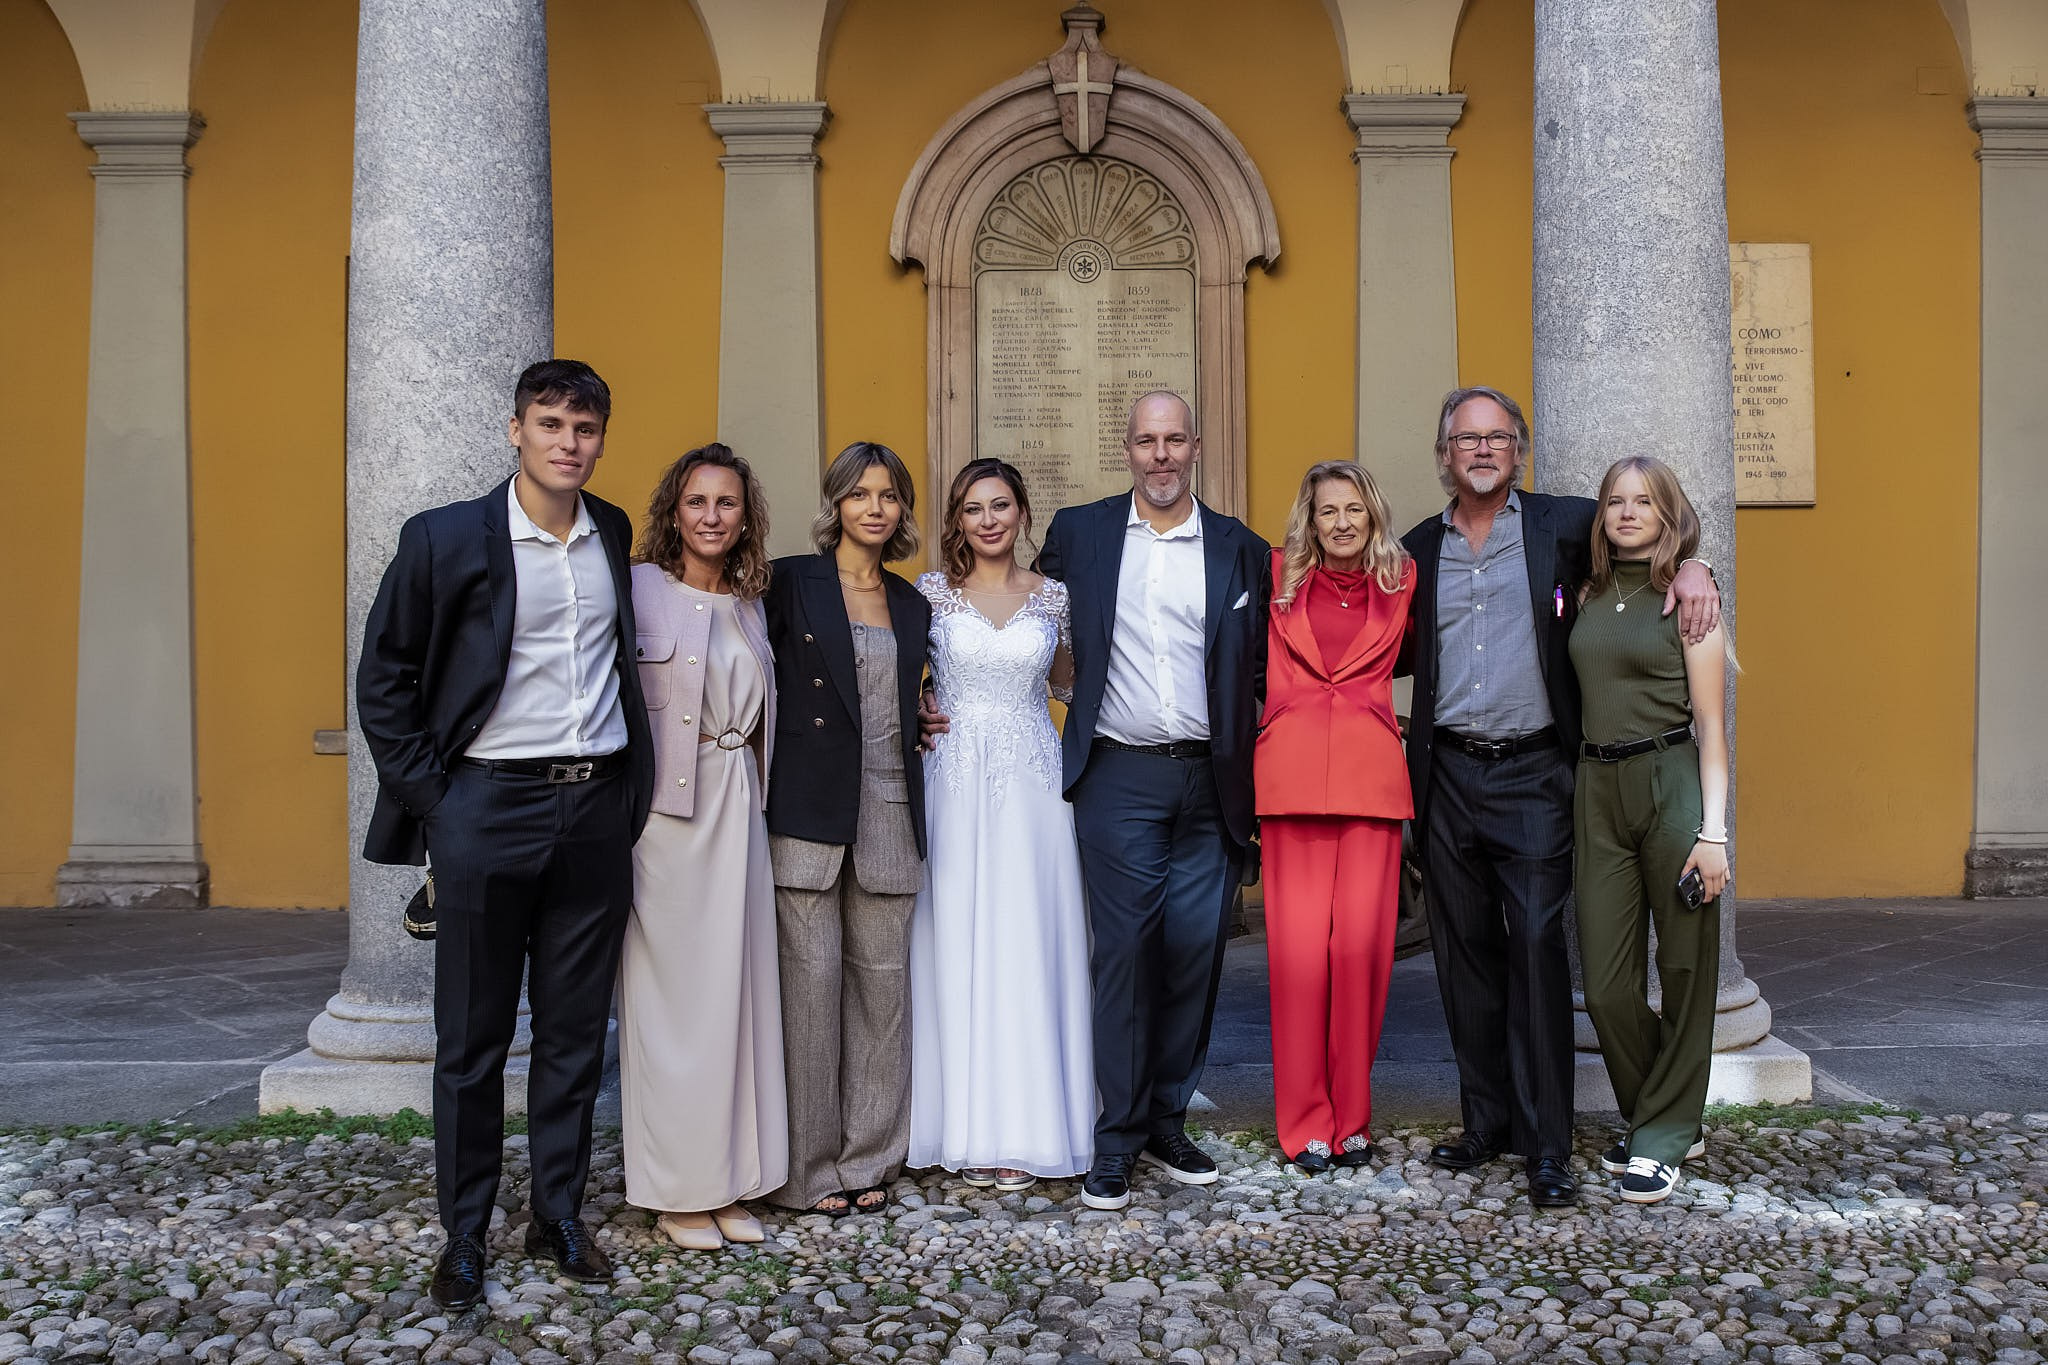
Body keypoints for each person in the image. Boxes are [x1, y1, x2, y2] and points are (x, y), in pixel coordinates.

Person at [356, 359, 653, 1308]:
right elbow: (384, 677)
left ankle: (557, 1213)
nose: (569, 443)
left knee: (575, 1033)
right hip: (486, 806)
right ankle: (465, 1233)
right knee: (473, 1039)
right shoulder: (445, 537)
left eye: (585, 428)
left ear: (601, 439)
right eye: (551, 423)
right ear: (515, 429)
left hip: (594, 808)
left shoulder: (611, 530)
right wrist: (438, 803)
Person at [1400, 386, 1717, 1209]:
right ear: (1445, 454)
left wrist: (1697, 567)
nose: (1481, 450)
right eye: (1466, 439)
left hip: (1537, 772)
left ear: (1519, 450)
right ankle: (1488, 1121)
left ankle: (1547, 1147)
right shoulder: (1415, 549)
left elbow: (1655, 531)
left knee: (1540, 950)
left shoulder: (1566, 525)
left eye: (1497, 437)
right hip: (1447, 774)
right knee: (1463, 954)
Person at [1034, 391, 1271, 1211]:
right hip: (1119, 774)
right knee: (1125, 955)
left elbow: (1263, 667)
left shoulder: (1242, 548)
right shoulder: (1080, 533)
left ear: (1196, 446)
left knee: (1194, 953)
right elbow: (1021, 617)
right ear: (1127, 448)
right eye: (1146, 440)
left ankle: (1168, 1120)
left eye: (1174, 440)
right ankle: (1116, 1138)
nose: (1160, 454)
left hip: (1212, 780)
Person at [908, 459, 1094, 1193]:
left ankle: (1027, 1125)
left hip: (1033, 784)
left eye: (1001, 506)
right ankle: (961, 1124)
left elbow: (1072, 684)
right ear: (958, 519)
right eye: (973, 508)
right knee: (954, 935)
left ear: (1022, 513)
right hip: (952, 777)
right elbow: (900, 673)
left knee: (1026, 937)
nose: (988, 520)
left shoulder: (1054, 598)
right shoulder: (930, 595)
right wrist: (918, 703)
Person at [619, 443, 785, 1249]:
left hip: (739, 812)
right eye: (696, 501)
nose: (712, 516)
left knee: (736, 998)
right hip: (666, 823)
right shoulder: (638, 588)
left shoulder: (753, 603)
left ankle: (729, 1178)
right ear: (673, 511)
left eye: (727, 503)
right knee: (674, 1006)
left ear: (746, 516)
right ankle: (678, 1188)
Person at [762, 441, 933, 1218]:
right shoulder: (789, 582)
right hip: (808, 813)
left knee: (882, 994)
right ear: (835, 502)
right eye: (860, 493)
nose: (875, 507)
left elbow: (908, 700)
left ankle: (870, 1157)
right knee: (809, 993)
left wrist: (926, 716)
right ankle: (807, 1168)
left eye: (888, 494)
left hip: (890, 812)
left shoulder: (911, 604)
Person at [1570, 456, 1731, 1205]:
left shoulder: (1690, 601)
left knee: (1688, 967)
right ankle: (1668, 1110)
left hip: (1670, 781)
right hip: (1595, 787)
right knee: (1606, 986)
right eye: (1615, 501)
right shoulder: (1586, 590)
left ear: (1670, 513)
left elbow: (1713, 729)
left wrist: (1714, 834)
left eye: (1644, 501)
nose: (1628, 513)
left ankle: (1661, 1133)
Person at [1254, 461, 1414, 1172]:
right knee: (1297, 958)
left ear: (1372, 514)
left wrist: (1692, 567)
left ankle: (1351, 1118)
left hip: (1371, 784)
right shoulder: (1274, 575)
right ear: (1310, 520)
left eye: (1354, 508)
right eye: (1328, 511)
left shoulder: (1404, 580)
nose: (1342, 522)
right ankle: (1304, 1124)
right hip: (1289, 782)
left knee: (1360, 955)